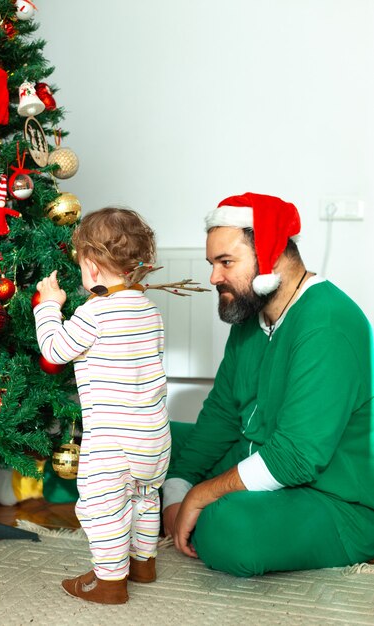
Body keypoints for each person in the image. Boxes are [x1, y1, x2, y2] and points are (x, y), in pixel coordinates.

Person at [162, 192, 374, 578]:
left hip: (328, 497)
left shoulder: (328, 324)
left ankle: (194, 515)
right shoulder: (250, 317)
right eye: (213, 263)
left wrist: (199, 495)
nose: (214, 277)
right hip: (254, 460)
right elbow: (223, 415)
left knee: (231, 528)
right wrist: (176, 493)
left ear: (272, 255)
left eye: (226, 262)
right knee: (143, 440)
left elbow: (296, 458)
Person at [33, 207, 171, 604]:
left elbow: (55, 350)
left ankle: (110, 581)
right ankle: (143, 562)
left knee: (100, 504)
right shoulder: (150, 311)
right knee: (144, 496)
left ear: (91, 267)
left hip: (112, 440)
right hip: (154, 436)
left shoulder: (93, 312)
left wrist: (48, 305)